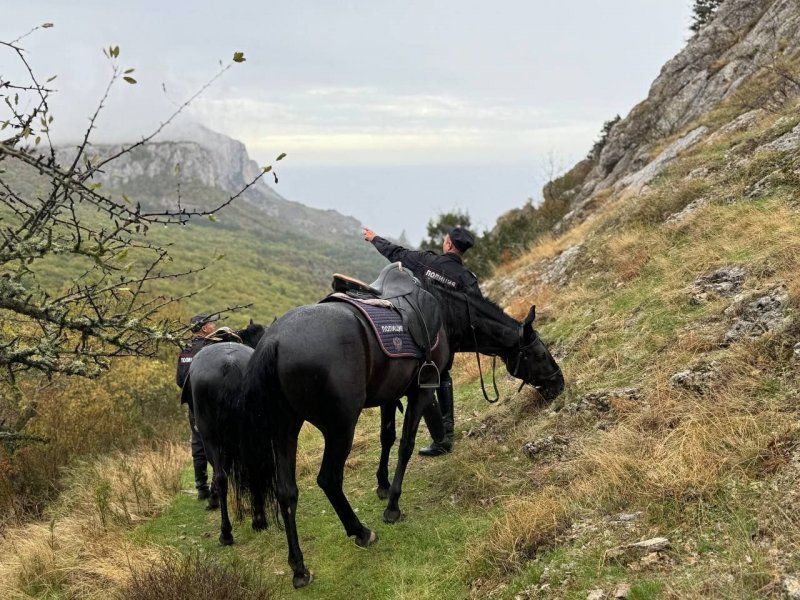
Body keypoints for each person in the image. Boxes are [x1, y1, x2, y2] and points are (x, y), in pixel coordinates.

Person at [362, 225, 481, 457]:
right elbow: (475, 310)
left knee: (422, 380)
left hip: (422, 333)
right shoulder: (468, 279)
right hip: (448, 340)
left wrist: (374, 238)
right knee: (443, 376)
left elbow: (396, 253)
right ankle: (446, 432)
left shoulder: (428, 262)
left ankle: (439, 438)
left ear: (448, 245)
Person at [176, 312, 218, 500]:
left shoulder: (185, 349)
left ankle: (201, 488)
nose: (214, 327)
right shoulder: (214, 346)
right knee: (219, 441)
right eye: (211, 324)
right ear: (204, 328)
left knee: (198, 443)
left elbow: (180, 380)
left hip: (195, 405)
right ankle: (219, 483)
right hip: (215, 403)